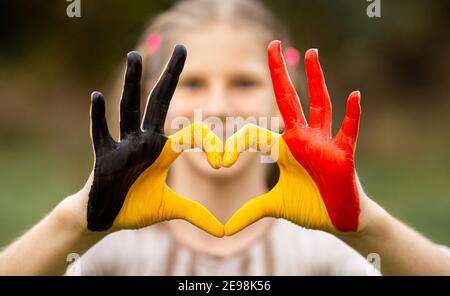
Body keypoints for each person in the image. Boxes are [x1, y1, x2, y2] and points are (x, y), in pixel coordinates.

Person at [0, 0, 449, 276]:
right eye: (191, 84)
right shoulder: (111, 244)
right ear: (150, 97)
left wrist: (368, 226)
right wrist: (76, 221)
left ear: (283, 99)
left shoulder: (320, 246)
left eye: (243, 83)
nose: (217, 107)